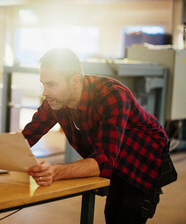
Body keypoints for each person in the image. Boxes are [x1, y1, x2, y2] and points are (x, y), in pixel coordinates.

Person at [23, 47, 168, 224]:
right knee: (112, 213)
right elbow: (27, 136)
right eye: (43, 84)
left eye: (51, 84)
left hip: (141, 158)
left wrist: (56, 171)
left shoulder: (112, 95)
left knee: (129, 215)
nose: (45, 92)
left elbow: (104, 160)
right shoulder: (56, 101)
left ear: (75, 81)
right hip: (114, 158)